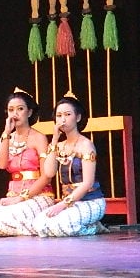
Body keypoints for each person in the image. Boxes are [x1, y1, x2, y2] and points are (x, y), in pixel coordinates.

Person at [0, 88, 54, 236]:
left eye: (20, 109)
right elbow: (1, 164)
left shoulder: (39, 138)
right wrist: (6, 133)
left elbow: (46, 176)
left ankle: (42, 227)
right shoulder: (6, 137)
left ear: (29, 112)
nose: (15, 114)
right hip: (13, 196)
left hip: (39, 196)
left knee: (7, 221)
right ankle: (38, 229)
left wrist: (22, 197)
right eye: (11, 110)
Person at [32, 95, 107, 237]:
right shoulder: (59, 146)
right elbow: (49, 173)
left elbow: (88, 183)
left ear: (78, 117)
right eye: (59, 116)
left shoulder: (86, 145)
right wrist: (54, 140)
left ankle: (94, 228)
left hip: (91, 201)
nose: (63, 120)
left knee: (63, 226)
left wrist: (62, 205)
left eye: (67, 115)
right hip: (70, 203)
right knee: (39, 225)